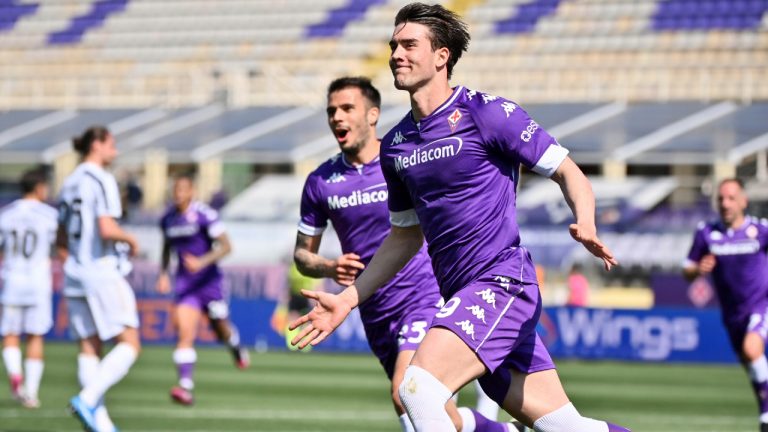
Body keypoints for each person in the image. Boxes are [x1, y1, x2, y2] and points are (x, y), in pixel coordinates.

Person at [289, 4, 630, 432]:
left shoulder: (486, 113)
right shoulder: (396, 147)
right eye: (394, 45)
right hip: (460, 293)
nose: (396, 53)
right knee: (566, 428)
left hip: (503, 281)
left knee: (416, 388)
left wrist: (587, 221)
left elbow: (567, 169)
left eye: (409, 44)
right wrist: (348, 298)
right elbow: (404, 237)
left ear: (441, 56)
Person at [294, 76, 513, 431]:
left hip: (424, 295)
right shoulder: (321, 181)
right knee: (422, 407)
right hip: (375, 309)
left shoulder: (401, 160)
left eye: (347, 108)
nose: (337, 117)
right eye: (331, 110)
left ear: (372, 115)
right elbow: (302, 256)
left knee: (404, 391)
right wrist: (329, 265)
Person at [59, 125, 141, 432]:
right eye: (112, 145)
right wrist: (130, 239)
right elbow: (107, 229)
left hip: (75, 272)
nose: (115, 151)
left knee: (89, 347)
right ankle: (87, 398)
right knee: (130, 344)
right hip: (101, 270)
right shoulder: (101, 179)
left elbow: (62, 235)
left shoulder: (69, 182)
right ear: (96, 145)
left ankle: (102, 426)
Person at [156, 174, 249, 406]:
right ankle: (185, 386)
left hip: (210, 283)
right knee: (185, 333)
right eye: (175, 190)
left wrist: (202, 261)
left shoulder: (205, 215)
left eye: (182, 190)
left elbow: (227, 247)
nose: (178, 195)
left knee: (221, 330)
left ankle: (235, 345)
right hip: (186, 286)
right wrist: (164, 273)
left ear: (191, 191)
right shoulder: (167, 219)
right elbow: (167, 247)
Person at [684, 178, 768, 431]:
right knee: (752, 365)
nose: (725, 203)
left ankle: (766, 417)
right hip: (732, 315)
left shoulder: (761, 230)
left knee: (752, 350)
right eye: (721, 198)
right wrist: (699, 269)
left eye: (731, 198)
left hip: (761, 305)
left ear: (743, 201)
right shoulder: (706, 233)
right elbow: (686, 270)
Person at [0, 170, 58, 408]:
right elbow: (60, 247)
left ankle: (16, 376)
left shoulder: (6, 214)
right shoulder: (49, 215)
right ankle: (31, 393)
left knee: (10, 335)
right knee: (35, 335)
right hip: (37, 281)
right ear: (39, 187)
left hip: (12, 279)